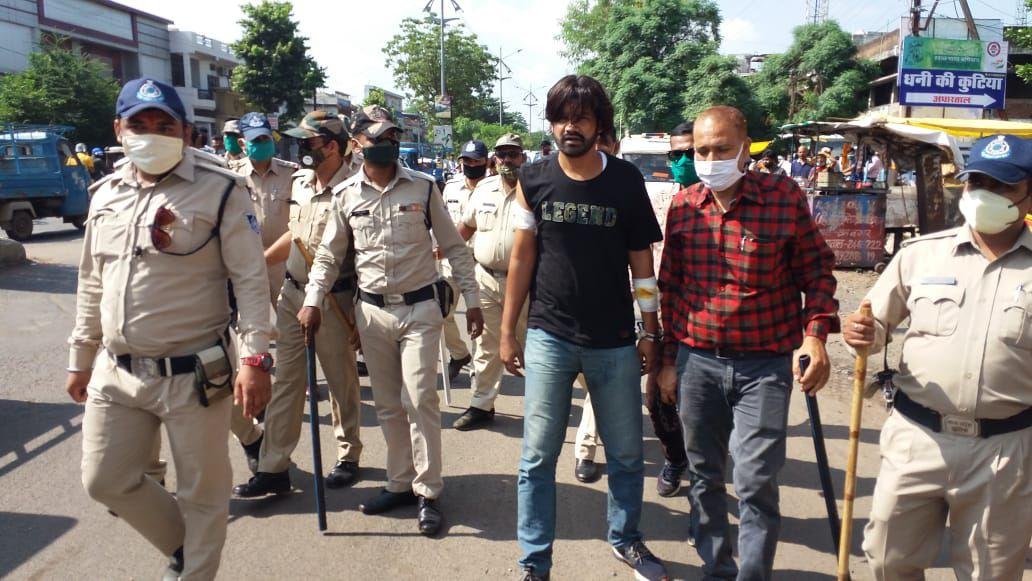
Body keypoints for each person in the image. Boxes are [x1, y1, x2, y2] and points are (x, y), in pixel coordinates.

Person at [66, 78, 272, 580]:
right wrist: (81, 357)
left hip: (194, 373)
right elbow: (92, 279)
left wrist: (255, 359)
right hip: (116, 371)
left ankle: (195, 567)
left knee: (202, 494)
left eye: (164, 125)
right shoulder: (106, 193)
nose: (151, 134)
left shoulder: (221, 188)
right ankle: (188, 549)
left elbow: (250, 280)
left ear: (184, 131)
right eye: (139, 124)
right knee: (105, 480)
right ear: (119, 129)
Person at [657, 105, 839, 580]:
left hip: (764, 366)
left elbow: (817, 272)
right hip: (697, 363)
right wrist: (668, 361)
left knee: (755, 480)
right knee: (704, 476)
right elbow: (670, 287)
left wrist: (816, 335)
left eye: (721, 149)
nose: (709, 159)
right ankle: (716, 569)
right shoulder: (683, 206)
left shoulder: (783, 197)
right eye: (701, 150)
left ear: (745, 148)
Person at [501, 75, 668, 581]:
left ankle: (626, 539)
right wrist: (508, 331)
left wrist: (650, 330)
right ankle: (535, 561)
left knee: (626, 453)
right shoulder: (533, 179)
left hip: (614, 341)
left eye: (581, 118)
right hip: (549, 336)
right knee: (537, 458)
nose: (569, 127)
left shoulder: (626, 181)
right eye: (560, 118)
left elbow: (642, 263)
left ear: (600, 125)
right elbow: (521, 259)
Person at [843, 134, 1032, 581]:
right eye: (977, 182)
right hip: (917, 437)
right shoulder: (920, 255)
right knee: (887, 560)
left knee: (991, 573)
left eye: (1002, 185)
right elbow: (873, 325)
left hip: (1005, 450)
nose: (985, 193)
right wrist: (861, 333)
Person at [299, 105, 483, 536]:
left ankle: (428, 492)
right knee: (386, 404)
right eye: (377, 139)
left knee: (419, 398)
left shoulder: (423, 187)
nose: (387, 145)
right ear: (356, 144)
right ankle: (400, 483)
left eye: (392, 138)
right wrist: (312, 300)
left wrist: (472, 300)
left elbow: (455, 248)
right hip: (372, 313)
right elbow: (328, 256)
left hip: (419, 309)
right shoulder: (346, 196)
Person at [233, 111, 365, 498]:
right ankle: (273, 466)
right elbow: (296, 234)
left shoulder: (354, 189)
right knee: (288, 380)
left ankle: (348, 454)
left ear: (332, 146)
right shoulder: (301, 183)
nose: (301, 148)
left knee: (340, 381)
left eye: (308, 142)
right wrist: (258, 263)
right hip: (292, 294)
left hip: (333, 299)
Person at [573, 122, 692, 498]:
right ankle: (673, 456)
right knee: (651, 395)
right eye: (676, 155)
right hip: (640, 304)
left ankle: (701, 469)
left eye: (693, 153)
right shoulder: (651, 193)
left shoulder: (709, 202)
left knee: (695, 400)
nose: (684, 162)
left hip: (694, 315)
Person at [450, 133, 528, 431]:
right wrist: (440, 250)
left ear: (523, 157)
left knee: (532, 345)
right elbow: (466, 227)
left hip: (524, 285)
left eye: (513, 154)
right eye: (502, 154)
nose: (507, 160)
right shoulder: (483, 189)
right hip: (484, 279)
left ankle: (542, 409)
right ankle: (482, 405)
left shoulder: (536, 189)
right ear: (495, 159)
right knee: (485, 345)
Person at [231, 112, 298, 301]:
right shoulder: (230, 175)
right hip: (245, 263)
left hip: (284, 263)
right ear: (242, 144)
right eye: (255, 140)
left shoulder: (291, 174)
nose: (261, 143)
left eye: (265, 138)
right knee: (249, 315)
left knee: (284, 315)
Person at [438, 140, 488, 378]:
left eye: (476, 160)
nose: (471, 165)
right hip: (451, 262)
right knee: (440, 313)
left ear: (486, 162)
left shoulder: (493, 189)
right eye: (466, 160)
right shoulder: (451, 187)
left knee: (480, 319)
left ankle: (478, 369)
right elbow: (441, 219)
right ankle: (459, 354)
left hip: (481, 264)